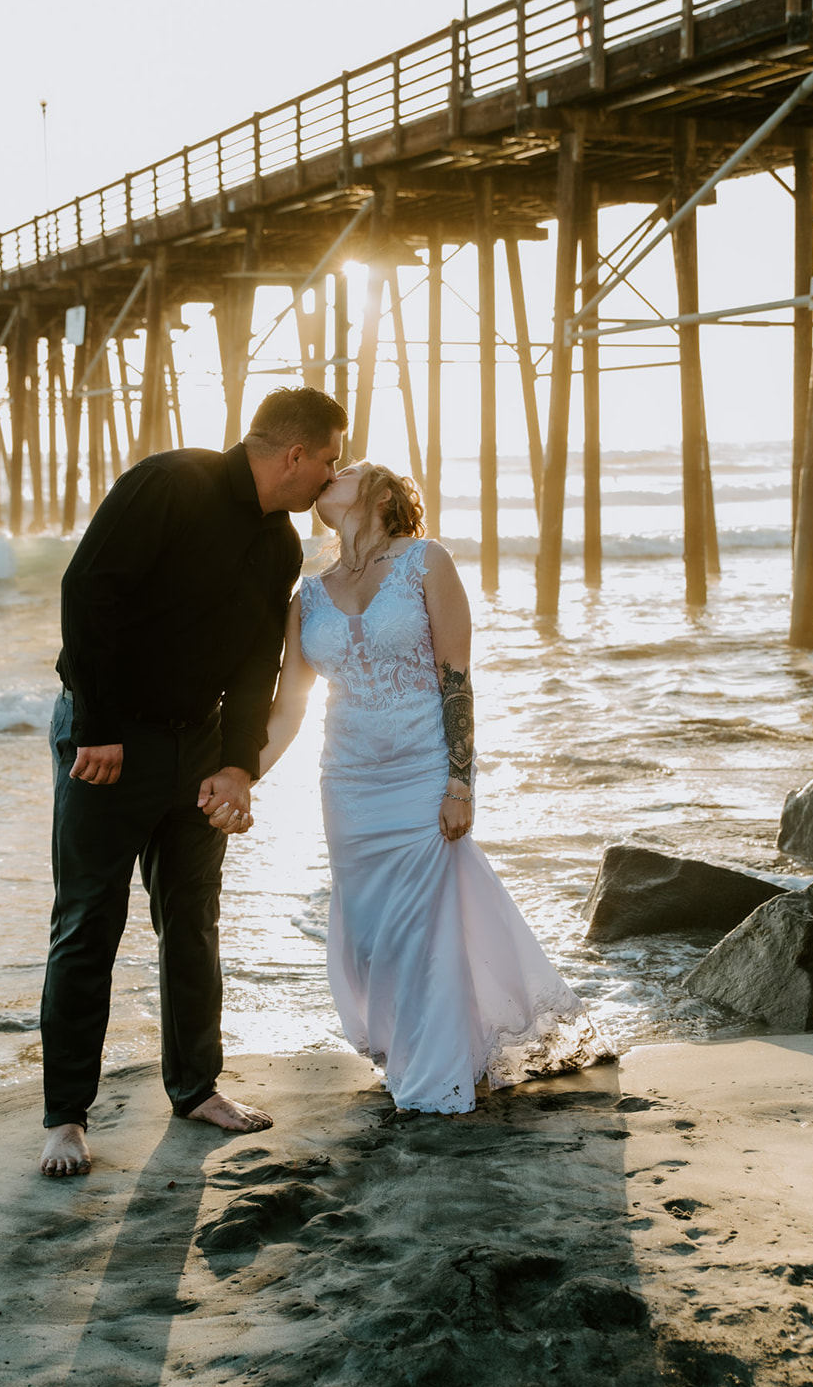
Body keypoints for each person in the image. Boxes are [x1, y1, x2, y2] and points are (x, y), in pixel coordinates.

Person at [40, 386, 347, 1176]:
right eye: (329, 461)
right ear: (295, 455)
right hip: (107, 741)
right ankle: (65, 1118)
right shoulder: (170, 481)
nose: (329, 478)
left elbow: (256, 664)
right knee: (87, 924)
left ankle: (196, 1088)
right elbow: (89, 592)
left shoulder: (279, 546)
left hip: (198, 748)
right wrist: (101, 725)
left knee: (193, 920)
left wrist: (238, 763)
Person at [236, 462, 607, 1115]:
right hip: (346, 784)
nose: (328, 474)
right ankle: (430, 1050)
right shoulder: (310, 595)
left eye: (343, 470)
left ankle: (433, 1080)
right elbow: (288, 710)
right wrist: (239, 777)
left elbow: (455, 679)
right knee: (373, 935)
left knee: (420, 928)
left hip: (420, 775)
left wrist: (459, 784)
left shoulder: (426, 563)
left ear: (380, 494)